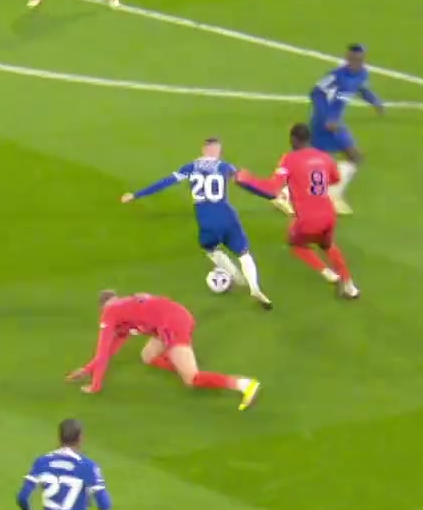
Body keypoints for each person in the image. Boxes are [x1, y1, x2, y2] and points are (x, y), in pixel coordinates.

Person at [120, 137, 272, 306]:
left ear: (203, 150)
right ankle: (254, 287)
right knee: (243, 253)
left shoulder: (190, 167)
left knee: (209, 248)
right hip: (227, 216)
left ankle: (236, 276)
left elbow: (165, 182)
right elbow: (246, 183)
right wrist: (271, 196)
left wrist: (136, 195)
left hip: (206, 220)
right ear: (218, 152)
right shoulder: (225, 166)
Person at [66, 290, 260, 407]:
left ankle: (243, 385)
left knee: (191, 379)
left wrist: (96, 385)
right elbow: (113, 347)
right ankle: (181, 362)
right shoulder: (127, 306)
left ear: (103, 307)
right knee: (148, 356)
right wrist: (88, 369)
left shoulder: (110, 313)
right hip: (179, 316)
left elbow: (103, 350)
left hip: (171, 326)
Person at [238, 124, 360, 298]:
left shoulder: (289, 159)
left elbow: (273, 187)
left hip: (307, 218)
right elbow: (335, 179)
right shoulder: (324, 157)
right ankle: (350, 286)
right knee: (327, 245)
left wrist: (247, 179)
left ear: (293, 139)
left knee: (296, 245)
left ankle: (328, 273)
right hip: (328, 215)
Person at [305, 45, 384, 214]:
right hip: (323, 123)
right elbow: (316, 93)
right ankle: (330, 195)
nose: (356, 63)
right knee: (352, 156)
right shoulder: (336, 76)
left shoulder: (362, 74)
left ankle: (296, 194)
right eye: (353, 59)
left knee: (321, 161)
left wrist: (375, 102)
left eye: (359, 59)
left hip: (335, 123)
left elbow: (362, 89)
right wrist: (327, 118)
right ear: (347, 58)